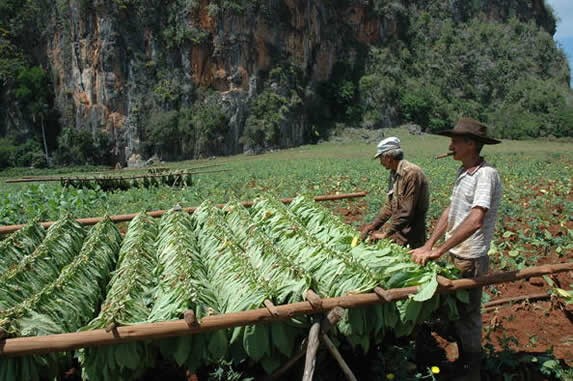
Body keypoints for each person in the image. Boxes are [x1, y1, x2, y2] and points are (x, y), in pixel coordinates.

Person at [410, 117, 502, 381]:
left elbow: (475, 220)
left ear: (470, 144)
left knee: (468, 318)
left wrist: (439, 250)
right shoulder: (463, 172)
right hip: (455, 253)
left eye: (455, 141)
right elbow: (451, 211)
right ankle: (459, 360)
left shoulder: (486, 175)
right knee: (453, 313)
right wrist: (430, 244)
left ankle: (471, 370)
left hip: (470, 258)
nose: (450, 145)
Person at [360, 136, 429, 249]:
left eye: (380, 158)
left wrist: (385, 234)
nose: (380, 162)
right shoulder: (394, 173)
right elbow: (390, 206)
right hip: (398, 232)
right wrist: (373, 226)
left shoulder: (411, 173)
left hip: (411, 236)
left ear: (388, 157)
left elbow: (406, 211)